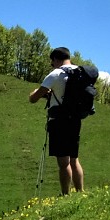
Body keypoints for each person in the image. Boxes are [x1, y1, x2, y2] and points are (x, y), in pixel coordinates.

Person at [28, 47, 85, 194]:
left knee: (63, 162)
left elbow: (33, 99)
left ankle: (66, 195)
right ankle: (80, 192)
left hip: (59, 121)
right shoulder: (80, 72)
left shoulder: (56, 74)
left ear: (56, 59)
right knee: (74, 158)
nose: (52, 65)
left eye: (52, 62)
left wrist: (37, 93)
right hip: (76, 119)